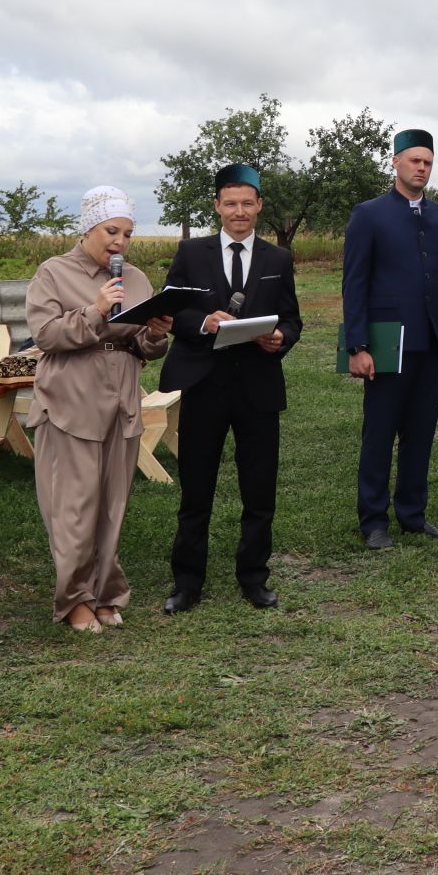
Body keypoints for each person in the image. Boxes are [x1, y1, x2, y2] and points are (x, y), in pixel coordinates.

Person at [24, 186, 173, 633]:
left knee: (112, 506)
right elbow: (46, 336)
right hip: (71, 402)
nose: (120, 242)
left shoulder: (138, 278)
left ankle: (106, 592)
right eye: (112, 231)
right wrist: (95, 310)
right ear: (88, 226)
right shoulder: (53, 273)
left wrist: (156, 333)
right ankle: (74, 600)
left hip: (121, 400)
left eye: (128, 233)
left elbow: (142, 346)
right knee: (73, 508)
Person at [158, 164, 304, 614]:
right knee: (196, 487)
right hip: (204, 385)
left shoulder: (277, 259)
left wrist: (280, 338)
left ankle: (254, 577)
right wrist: (204, 321)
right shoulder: (191, 252)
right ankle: (187, 582)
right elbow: (171, 314)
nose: (238, 211)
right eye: (230, 203)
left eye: (247, 203)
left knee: (259, 489)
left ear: (259, 206)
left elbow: (292, 320)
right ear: (218, 206)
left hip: (257, 386)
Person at [342, 128, 438, 550]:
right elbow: (355, 283)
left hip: (431, 343)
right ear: (395, 162)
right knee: (379, 434)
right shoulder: (369, 214)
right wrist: (358, 347)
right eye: (415, 160)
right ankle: (374, 521)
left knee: (420, 434)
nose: (422, 168)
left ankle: (413, 515)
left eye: (428, 162)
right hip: (385, 344)